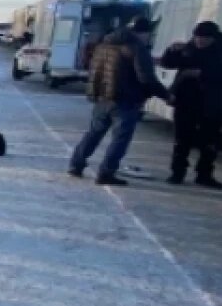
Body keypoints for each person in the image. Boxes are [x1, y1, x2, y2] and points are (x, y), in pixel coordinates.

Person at [68, 17, 170, 185]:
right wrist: (166, 96)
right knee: (120, 139)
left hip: (102, 98)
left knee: (93, 133)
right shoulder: (136, 48)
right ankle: (106, 173)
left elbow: (95, 71)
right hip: (125, 100)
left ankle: (76, 164)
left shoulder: (104, 44)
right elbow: (146, 78)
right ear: (143, 33)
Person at [159, 21, 222, 188]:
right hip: (186, 101)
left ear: (213, 38)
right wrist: (171, 51)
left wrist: (203, 74)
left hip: (213, 102)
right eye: (197, 38)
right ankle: (177, 173)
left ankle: (204, 174)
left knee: (209, 142)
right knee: (182, 139)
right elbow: (167, 63)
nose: (199, 42)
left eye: (203, 39)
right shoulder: (189, 47)